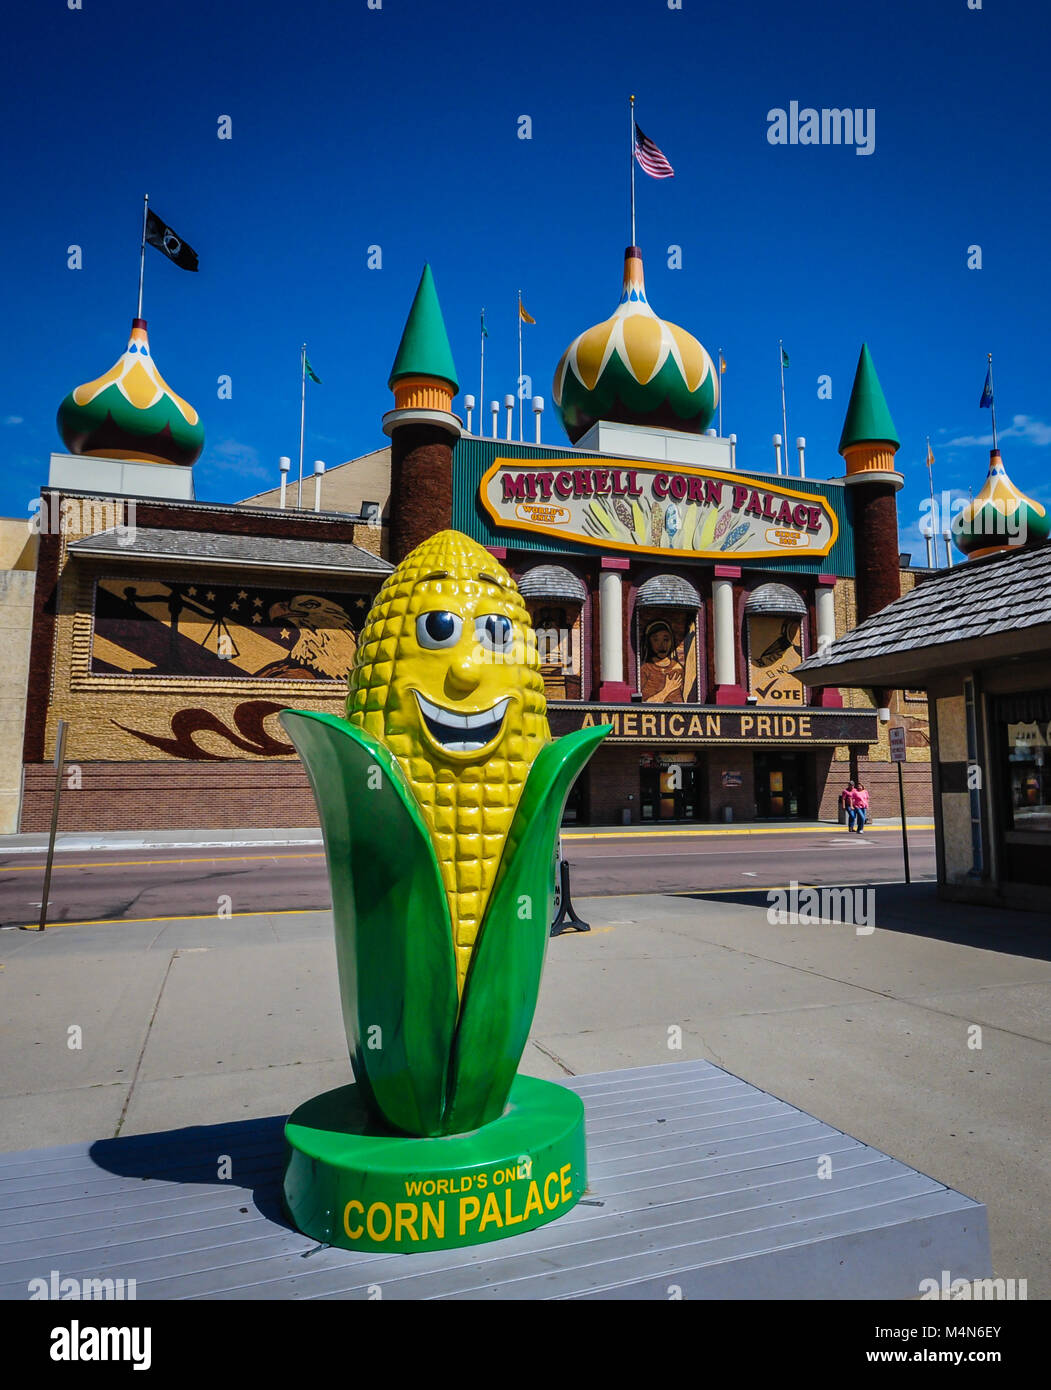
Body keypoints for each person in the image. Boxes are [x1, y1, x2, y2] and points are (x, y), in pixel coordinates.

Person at [640, 620, 686, 703]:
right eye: (656, 640)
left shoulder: (677, 668)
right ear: (649, 642)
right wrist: (667, 690)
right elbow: (645, 703)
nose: (661, 645)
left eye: (666, 639)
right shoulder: (645, 669)